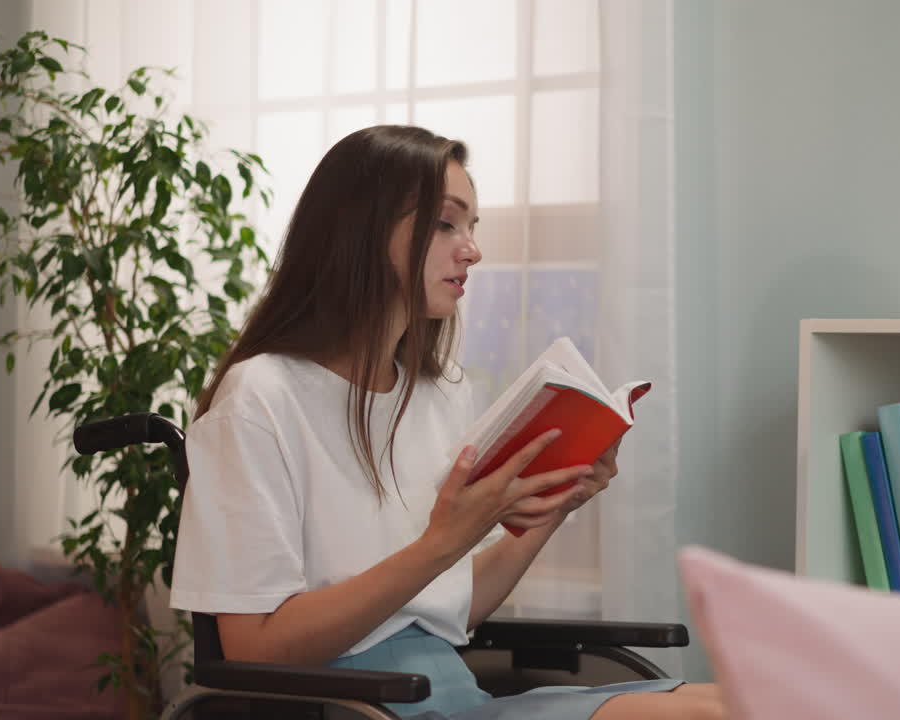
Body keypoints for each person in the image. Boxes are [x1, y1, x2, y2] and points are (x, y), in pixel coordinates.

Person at [169, 125, 724, 720]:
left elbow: (452, 607)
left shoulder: (437, 394)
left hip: (454, 699)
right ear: (361, 230)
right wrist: (442, 542)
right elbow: (256, 651)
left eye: (472, 227)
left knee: (741, 700)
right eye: (444, 224)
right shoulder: (261, 396)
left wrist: (552, 503)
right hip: (364, 708)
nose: (472, 250)